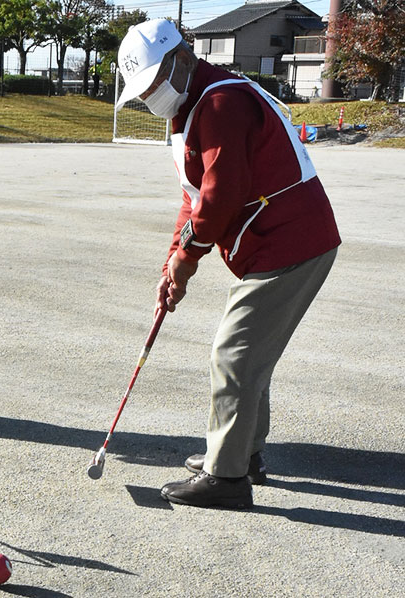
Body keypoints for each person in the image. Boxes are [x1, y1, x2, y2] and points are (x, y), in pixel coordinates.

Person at [115, 19, 340, 508]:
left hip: (291, 243)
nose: (151, 94)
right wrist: (172, 261)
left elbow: (220, 197)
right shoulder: (191, 109)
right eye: (143, 88)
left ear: (181, 58)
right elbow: (193, 199)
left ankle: (228, 479)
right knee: (249, 355)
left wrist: (188, 259)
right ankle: (240, 452)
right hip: (276, 243)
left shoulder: (220, 102)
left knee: (234, 353)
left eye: (155, 80)